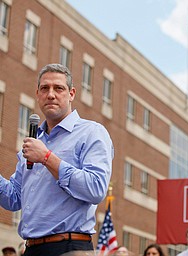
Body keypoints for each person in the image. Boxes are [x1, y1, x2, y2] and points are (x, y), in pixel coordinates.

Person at [0, 64, 114, 256]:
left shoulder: (91, 133)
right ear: (37, 94)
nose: (51, 94)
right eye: (45, 88)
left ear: (71, 94)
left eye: (58, 88)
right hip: (30, 248)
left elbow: (96, 188)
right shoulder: (33, 143)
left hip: (70, 247)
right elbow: (13, 199)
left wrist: (46, 157)